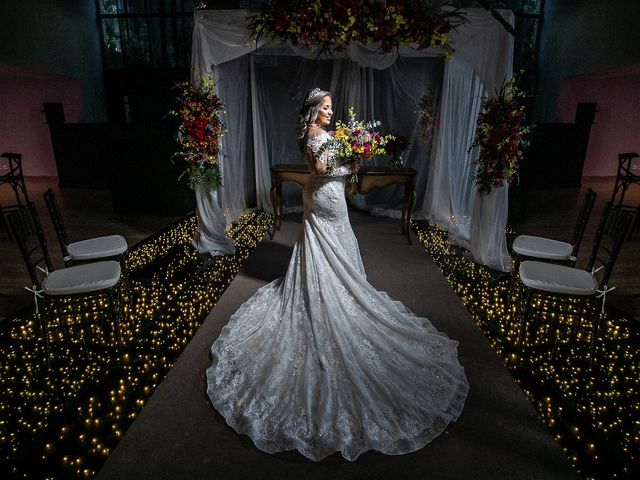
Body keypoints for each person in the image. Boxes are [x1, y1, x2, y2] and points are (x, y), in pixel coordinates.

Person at [206, 88, 469, 461]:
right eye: (325, 107)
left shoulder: (322, 136)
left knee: (339, 249)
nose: (331, 112)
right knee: (326, 248)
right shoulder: (314, 137)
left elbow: (330, 169)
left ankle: (342, 284)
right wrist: (352, 160)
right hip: (326, 197)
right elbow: (322, 170)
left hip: (328, 198)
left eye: (332, 107)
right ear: (313, 111)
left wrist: (352, 158)